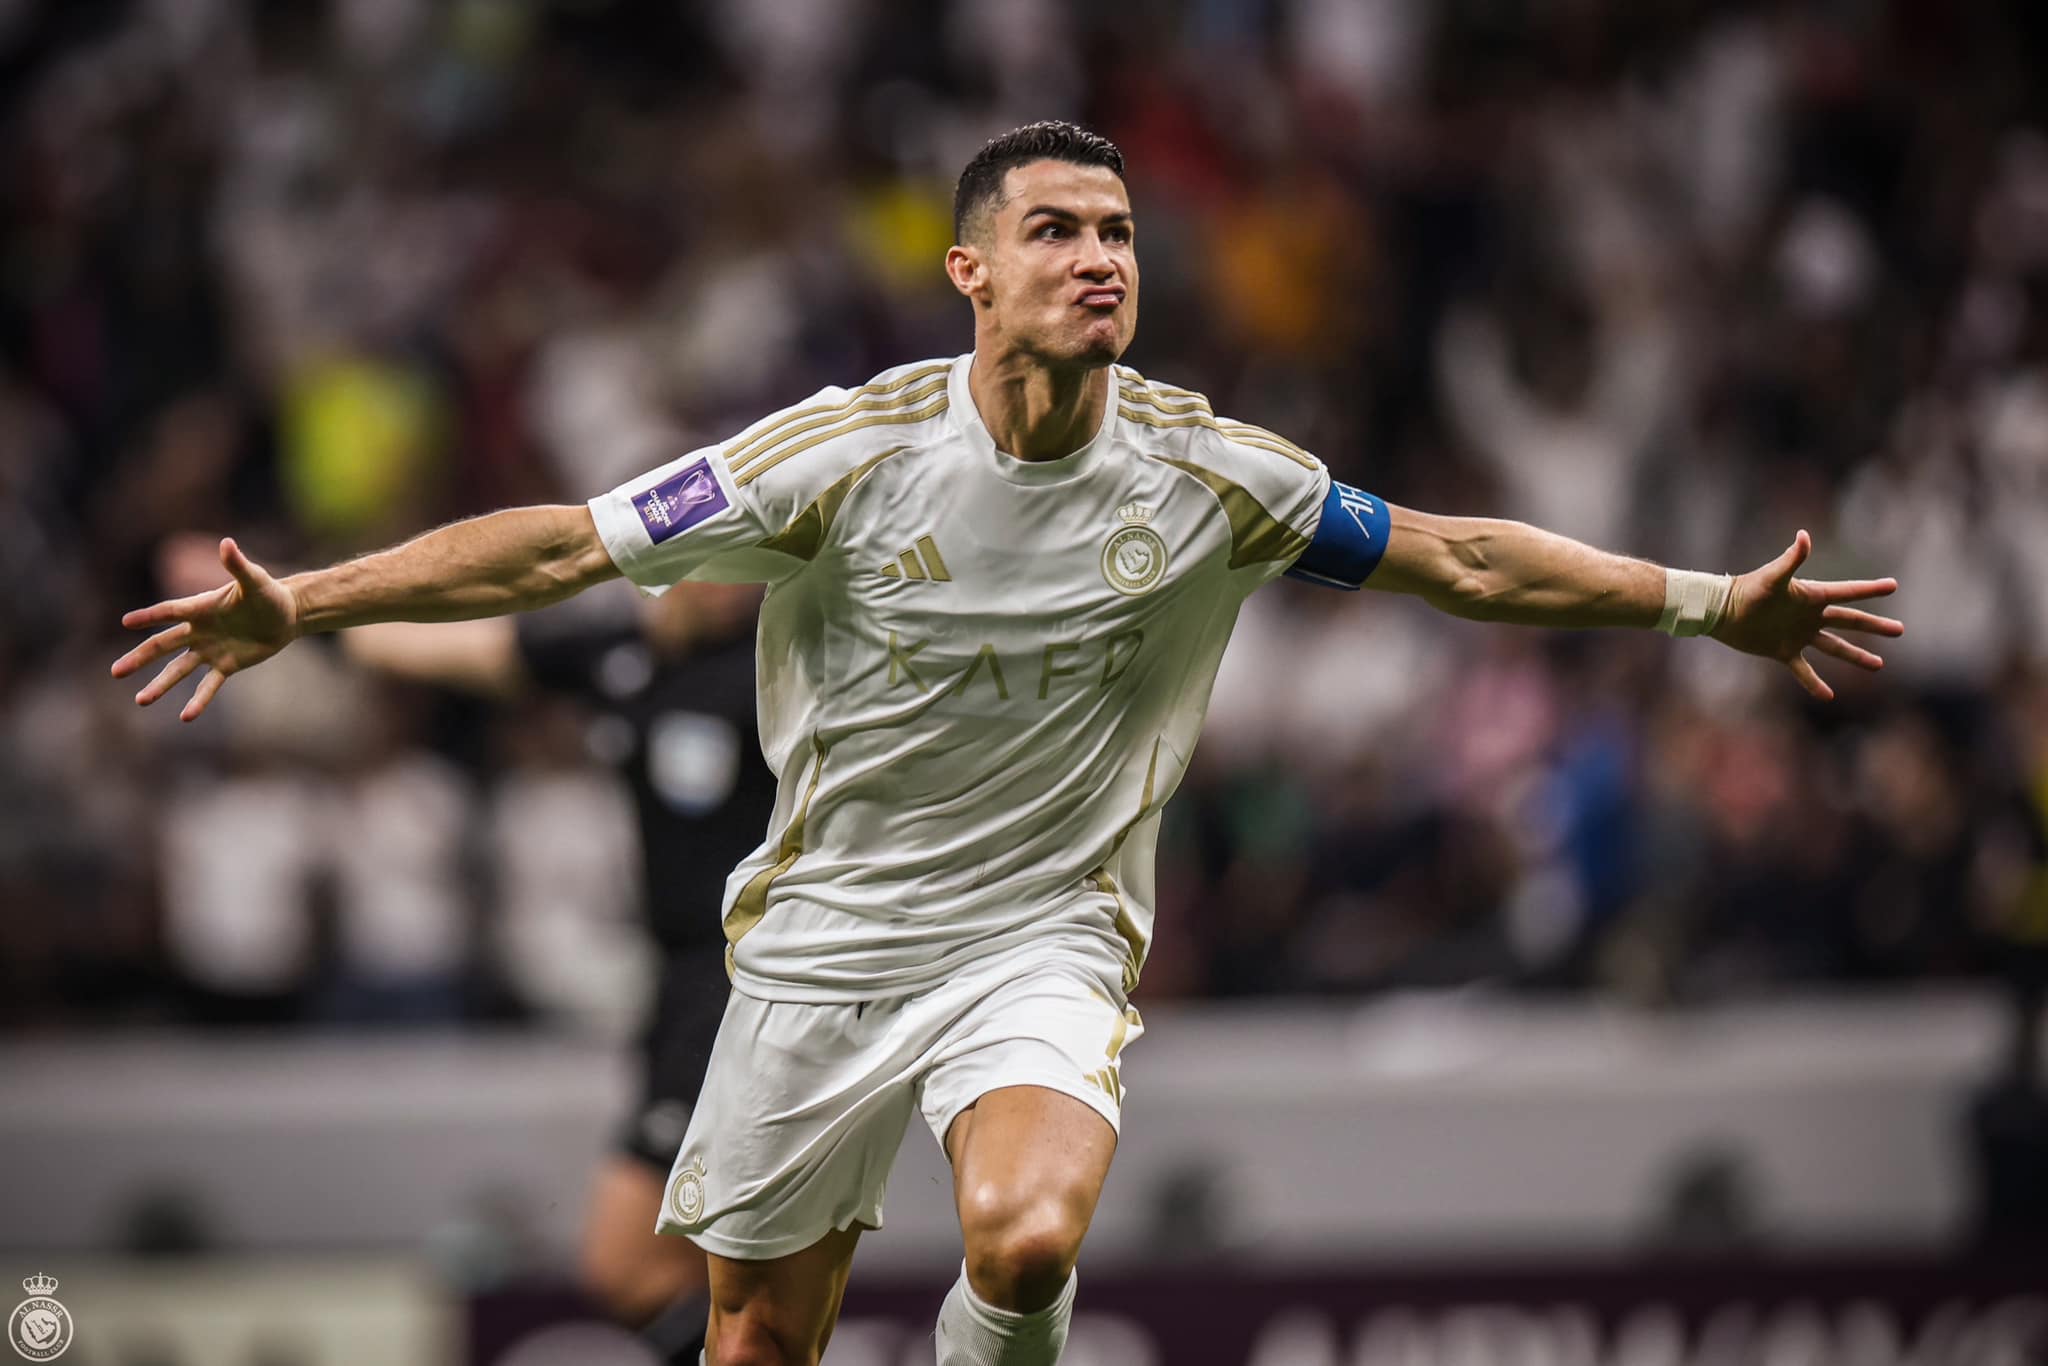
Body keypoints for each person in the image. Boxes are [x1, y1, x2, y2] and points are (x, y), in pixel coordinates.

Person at [114, 121, 1904, 1366]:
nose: (1096, 259)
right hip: (820, 934)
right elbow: (565, 542)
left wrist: (1693, 600)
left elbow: (1450, 555)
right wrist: (313, 605)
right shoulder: (841, 450)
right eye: (1055, 230)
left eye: (1116, 232)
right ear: (970, 271)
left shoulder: (1209, 473)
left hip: (1041, 935)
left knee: (1027, 1237)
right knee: (747, 1333)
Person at [342, 580, 769, 1362]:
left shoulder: (780, 663)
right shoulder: (618, 653)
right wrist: (307, 611)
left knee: (629, 1264)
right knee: (706, 1283)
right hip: (676, 986)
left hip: (748, 986)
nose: (739, 581)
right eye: (725, 553)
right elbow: (466, 647)